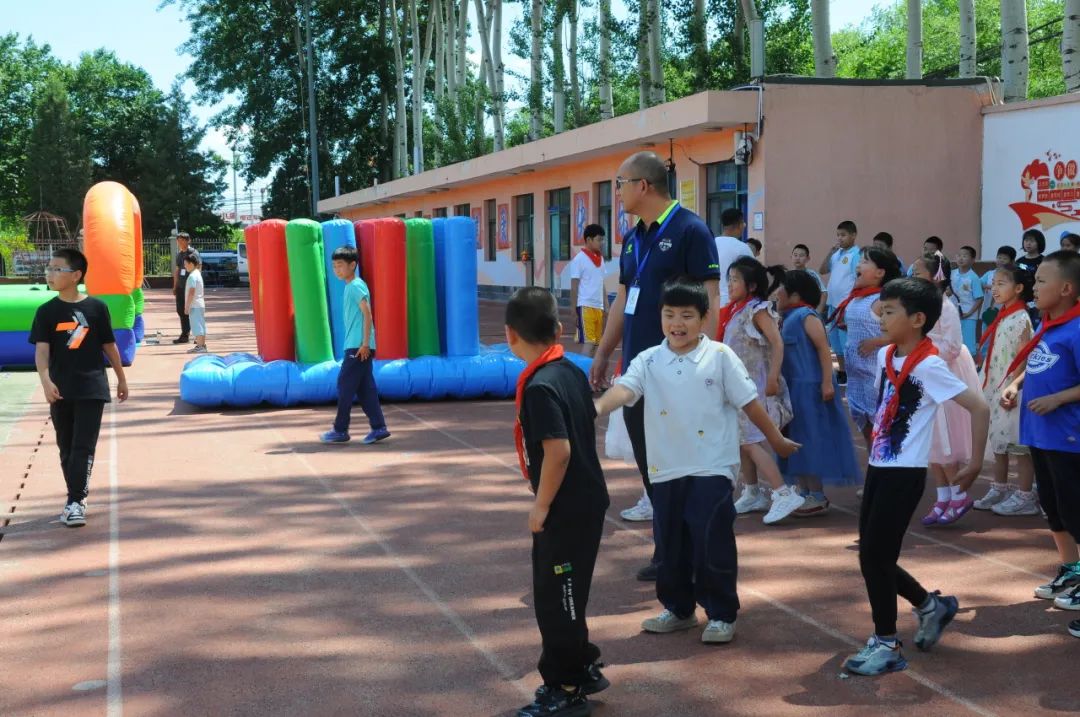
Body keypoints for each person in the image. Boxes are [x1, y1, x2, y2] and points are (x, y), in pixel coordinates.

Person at [594, 277, 799, 644]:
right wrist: (596, 407)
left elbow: (749, 403)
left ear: (704, 318)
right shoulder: (649, 358)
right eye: (669, 314)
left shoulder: (719, 356)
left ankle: (721, 613)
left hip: (712, 466)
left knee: (711, 541)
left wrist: (777, 439)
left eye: (687, 315)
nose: (677, 323)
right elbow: (625, 389)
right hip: (665, 467)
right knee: (670, 544)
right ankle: (679, 609)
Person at [843, 277, 989, 676]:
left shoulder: (930, 364)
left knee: (875, 556)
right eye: (882, 310)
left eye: (890, 312)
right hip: (879, 467)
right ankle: (930, 606)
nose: (882, 318)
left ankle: (888, 644)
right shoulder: (887, 354)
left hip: (904, 474)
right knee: (873, 556)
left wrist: (975, 462)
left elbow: (979, 407)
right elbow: (883, 405)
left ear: (918, 319)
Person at [589, 151, 721, 582]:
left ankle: (692, 559)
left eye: (620, 182)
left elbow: (711, 299)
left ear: (643, 185)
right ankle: (668, 555)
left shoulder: (690, 230)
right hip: (639, 372)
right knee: (653, 470)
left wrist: (706, 363)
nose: (618, 190)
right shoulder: (631, 239)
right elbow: (623, 301)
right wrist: (605, 351)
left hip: (679, 373)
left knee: (682, 470)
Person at [506, 287, 610, 717]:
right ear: (560, 328)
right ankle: (582, 665)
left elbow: (559, 451)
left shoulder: (541, 387)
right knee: (569, 592)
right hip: (587, 500)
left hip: (567, 508)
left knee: (556, 597)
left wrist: (542, 505)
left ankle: (564, 686)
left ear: (510, 335)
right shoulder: (569, 370)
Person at [1001, 251, 1080, 635]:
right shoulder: (1047, 325)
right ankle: (1070, 571)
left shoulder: (1077, 328)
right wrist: (1016, 385)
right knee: (1053, 507)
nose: (1035, 287)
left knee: (1075, 510)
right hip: (1039, 433)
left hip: (1069, 437)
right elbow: (1034, 364)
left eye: (1042, 282)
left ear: (1066, 289)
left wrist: (1058, 399)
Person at [29, 248, 129, 528]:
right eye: (48, 268)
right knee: (66, 447)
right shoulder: (46, 311)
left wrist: (121, 378)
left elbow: (109, 346)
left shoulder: (97, 308)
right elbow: (42, 352)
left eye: (56, 269)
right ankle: (75, 497)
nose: (49, 273)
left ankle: (75, 501)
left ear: (76, 275)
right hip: (60, 390)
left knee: (83, 446)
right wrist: (46, 381)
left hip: (91, 387)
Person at [720, 257, 803, 524]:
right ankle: (753, 491)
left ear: (752, 285)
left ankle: (782, 492)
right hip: (737, 385)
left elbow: (777, 344)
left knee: (751, 442)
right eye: (729, 279)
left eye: (735, 280)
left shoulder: (758, 310)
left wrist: (773, 378)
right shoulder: (735, 309)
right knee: (742, 441)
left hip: (754, 385)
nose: (730, 284)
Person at [774, 269, 859, 515]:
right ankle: (803, 491)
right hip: (792, 387)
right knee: (795, 438)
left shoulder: (806, 316)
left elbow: (823, 349)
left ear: (795, 293)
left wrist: (827, 383)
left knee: (809, 439)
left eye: (781, 288)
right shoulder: (786, 317)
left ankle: (817, 494)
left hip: (809, 387)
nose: (777, 293)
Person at [910, 254, 982, 526]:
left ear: (934, 276)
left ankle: (958, 495)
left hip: (943, 373)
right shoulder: (920, 303)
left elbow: (951, 347)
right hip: (925, 370)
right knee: (932, 440)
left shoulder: (945, 306)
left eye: (917, 272)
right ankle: (942, 497)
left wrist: (922, 349)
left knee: (945, 436)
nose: (912, 275)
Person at [973, 266, 1037, 515]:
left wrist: (1014, 386)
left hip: (1011, 387)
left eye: (1001, 283)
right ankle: (999, 486)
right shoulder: (1003, 315)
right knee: (997, 437)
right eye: (993, 283)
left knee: (1018, 443)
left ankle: (1025, 494)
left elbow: (1023, 356)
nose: (993, 288)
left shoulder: (1021, 318)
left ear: (1019, 288)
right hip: (995, 382)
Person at [319, 246, 390, 445]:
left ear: (353, 265)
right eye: (334, 266)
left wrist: (365, 343)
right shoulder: (350, 286)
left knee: (344, 385)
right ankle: (379, 427)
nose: (337, 270)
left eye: (340, 265)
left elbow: (367, 314)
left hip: (358, 346)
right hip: (357, 345)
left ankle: (340, 430)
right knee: (365, 389)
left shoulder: (356, 286)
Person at [832, 247, 901, 446]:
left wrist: (876, 342)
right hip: (856, 375)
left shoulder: (884, 300)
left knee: (882, 427)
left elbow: (901, 333)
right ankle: (875, 467)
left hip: (876, 375)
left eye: (864, 262)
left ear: (880, 273)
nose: (858, 265)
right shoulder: (857, 296)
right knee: (866, 428)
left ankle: (885, 470)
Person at [819, 220, 861, 385]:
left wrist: (851, 302)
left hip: (846, 305)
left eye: (843, 235)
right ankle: (842, 372)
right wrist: (830, 253)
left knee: (846, 342)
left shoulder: (856, 254)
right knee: (835, 342)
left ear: (853, 235)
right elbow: (822, 270)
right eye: (838, 235)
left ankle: (852, 373)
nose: (840, 238)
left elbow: (858, 278)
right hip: (833, 305)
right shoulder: (836, 254)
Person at [569, 224, 608, 358]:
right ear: (589, 240)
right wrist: (574, 309)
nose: (601, 243)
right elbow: (574, 285)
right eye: (599, 239)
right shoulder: (579, 259)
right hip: (585, 306)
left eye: (602, 239)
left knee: (597, 344)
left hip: (599, 307)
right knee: (589, 343)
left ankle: (592, 375)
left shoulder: (600, 259)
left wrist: (606, 305)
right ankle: (582, 373)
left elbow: (601, 282)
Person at [713, 208, 753, 305]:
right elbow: (752, 276)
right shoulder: (742, 248)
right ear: (739, 225)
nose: (744, 225)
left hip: (709, 302)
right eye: (743, 222)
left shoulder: (710, 244)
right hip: (732, 303)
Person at [950, 246, 984, 356]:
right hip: (952, 314)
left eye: (965, 256)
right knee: (952, 342)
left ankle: (970, 368)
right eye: (959, 255)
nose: (961, 258)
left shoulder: (974, 278)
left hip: (968, 316)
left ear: (973, 260)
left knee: (968, 345)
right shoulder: (951, 274)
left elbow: (979, 298)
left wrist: (969, 313)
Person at [172, 232, 198, 344]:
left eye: (183, 240)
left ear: (188, 241)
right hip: (181, 287)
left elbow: (199, 267)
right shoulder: (179, 255)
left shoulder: (193, 253)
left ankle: (198, 336)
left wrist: (197, 283)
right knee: (181, 310)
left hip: (191, 286)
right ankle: (185, 334)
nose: (180, 243)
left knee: (193, 310)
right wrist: (175, 285)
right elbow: (177, 270)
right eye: (179, 241)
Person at [182, 252, 208, 354]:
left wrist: (187, 306)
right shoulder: (197, 274)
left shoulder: (193, 276)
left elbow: (191, 292)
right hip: (199, 304)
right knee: (200, 325)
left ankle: (200, 346)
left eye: (186, 264)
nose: (185, 266)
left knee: (197, 326)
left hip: (195, 305)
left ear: (191, 264)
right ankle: (201, 345)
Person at [790, 244, 827, 314]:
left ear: (808, 258)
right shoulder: (789, 275)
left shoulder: (812, 275)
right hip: (792, 312)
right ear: (791, 257)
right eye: (795, 255)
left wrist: (818, 311)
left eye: (801, 256)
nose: (797, 258)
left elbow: (824, 293)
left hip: (808, 311)